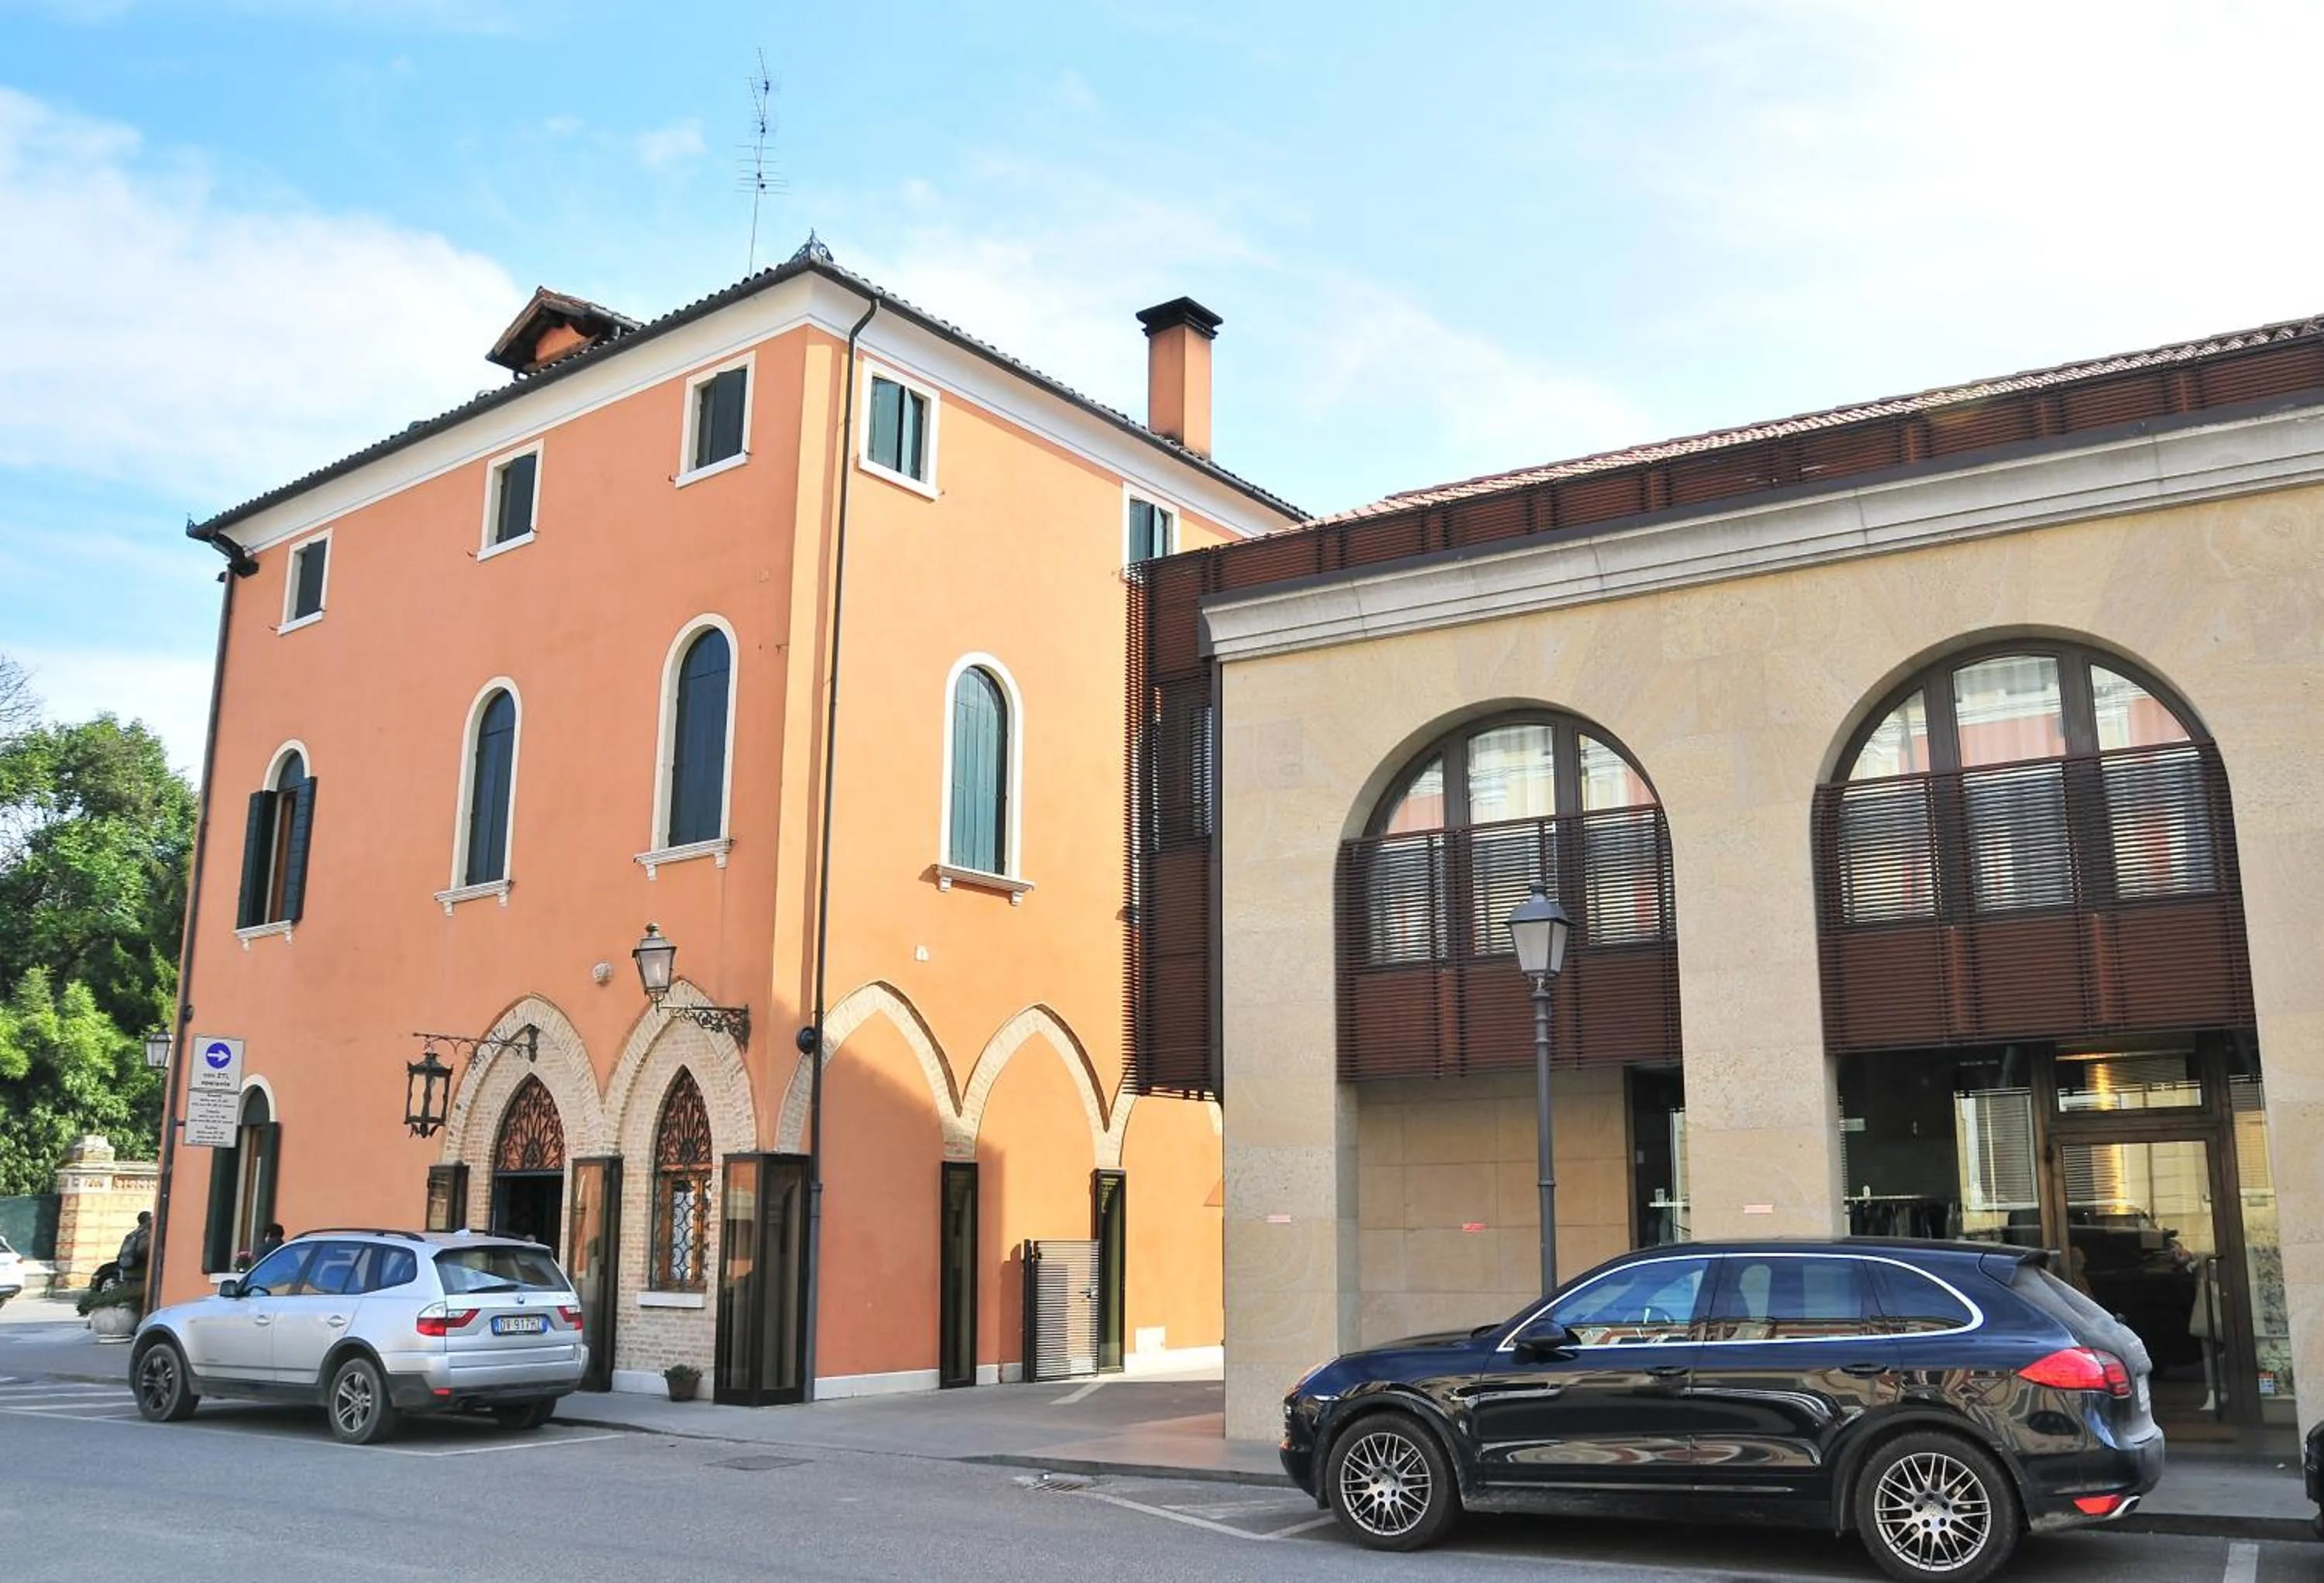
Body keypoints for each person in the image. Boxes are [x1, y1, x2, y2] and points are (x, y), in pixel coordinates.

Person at [117, 1211, 151, 1276]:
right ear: (147, 1220)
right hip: (138, 1271)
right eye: (151, 1219)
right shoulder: (145, 1234)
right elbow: (143, 1251)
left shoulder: (132, 1234)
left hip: (126, 1270)